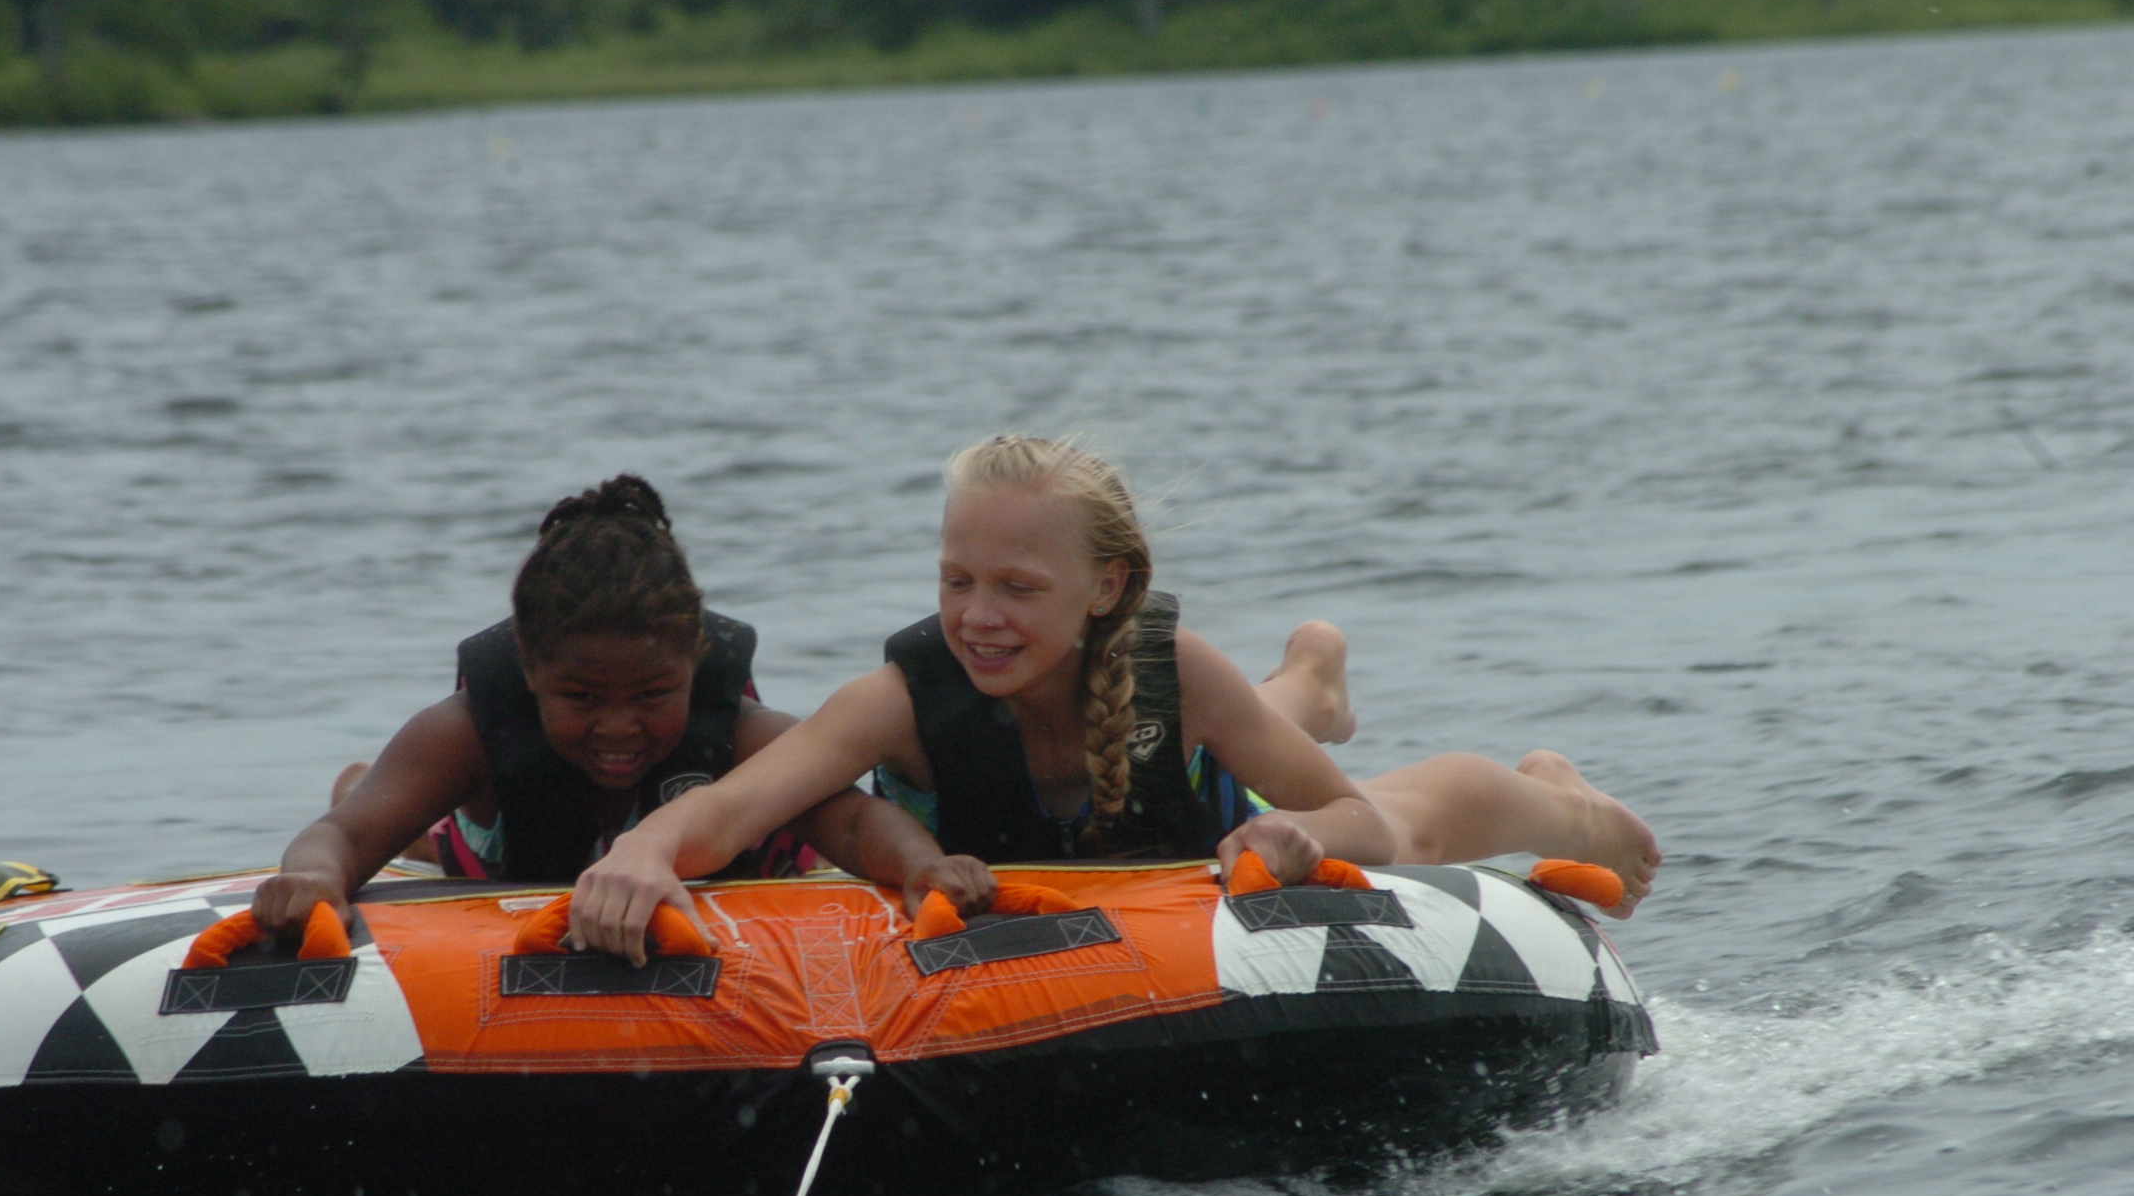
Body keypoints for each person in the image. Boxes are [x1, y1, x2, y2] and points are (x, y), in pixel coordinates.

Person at [564, 434, 1661, 962]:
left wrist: (1298, 839)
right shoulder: (901, 699)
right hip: (1166, 772)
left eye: (1017, 589)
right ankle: (1307, 686)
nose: (977, 617)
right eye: (956, 582)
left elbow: (1359, 821)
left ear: (1106, 588)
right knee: (1259, 724)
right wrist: (645, 853)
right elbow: (736, 807)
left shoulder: (1174, 671)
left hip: (1209, 811)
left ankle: (1565, 800)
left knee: (1408, 821)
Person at [250, 475, 980, 937]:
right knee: (417, 831)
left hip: (743, 859)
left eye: (653, 695)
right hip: (496, 853)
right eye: (581, 697)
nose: (619, 726)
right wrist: (315, 877)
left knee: (800, 834)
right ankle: (380, 793)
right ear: (530, 671)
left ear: (693, 664)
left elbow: (852, 819)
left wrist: (921, 865)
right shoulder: (462, 734)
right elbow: (342, 835)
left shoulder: (742, 734)